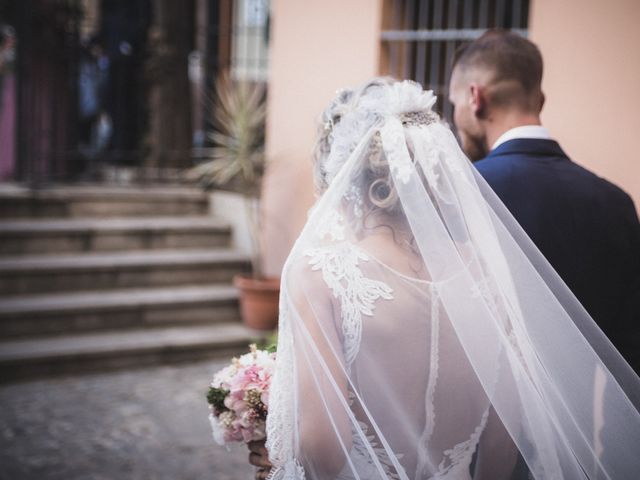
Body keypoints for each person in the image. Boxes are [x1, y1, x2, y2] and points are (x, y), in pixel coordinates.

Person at [248, 78, 640, 480]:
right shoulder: (485, 271)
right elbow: (502, 440)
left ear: (350, 177)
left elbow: (321, 448)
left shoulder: (320, 274)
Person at [448, 30, 640, 373]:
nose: (455, 116)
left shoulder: (466, 188)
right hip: (582, 427)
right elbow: (630, 343)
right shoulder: (616, 202)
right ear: (540, 100)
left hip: (492, 420)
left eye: (454, 103)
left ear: (476, 97)